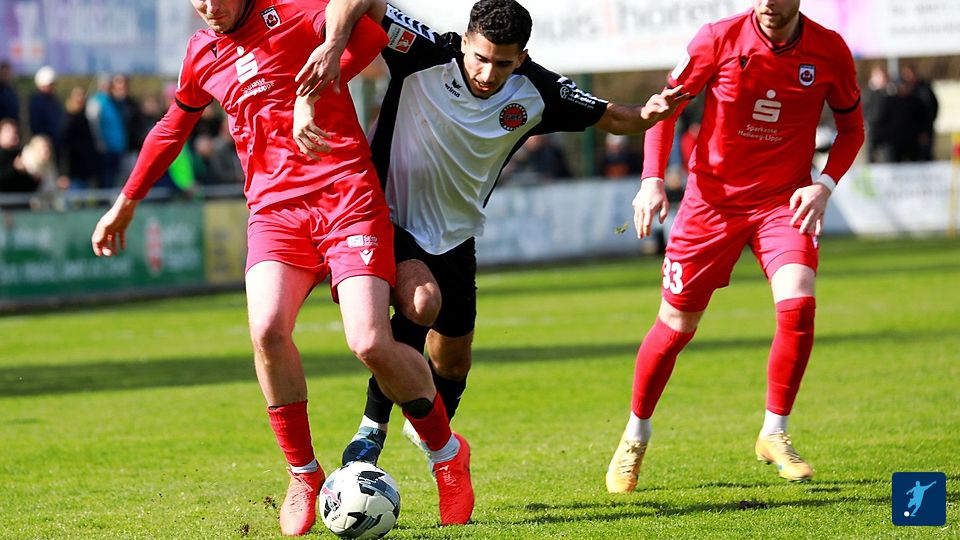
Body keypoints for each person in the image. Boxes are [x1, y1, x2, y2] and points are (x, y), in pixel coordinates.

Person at [90, 0, 472, 535]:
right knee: (267, 331)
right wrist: (125, 204)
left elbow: (370, 33)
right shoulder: (201, 53)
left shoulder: (295, 12)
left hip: (345, 196)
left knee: (368, 342)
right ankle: (303, 472)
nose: (209, 8)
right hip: (274, 213)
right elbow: (171, 128)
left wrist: (319, 75)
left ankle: (447, 454)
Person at [294, 0, 685, 477]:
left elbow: (613, 117)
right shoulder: (424, 52)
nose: (487, 72)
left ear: (521, 57)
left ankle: (429, 428)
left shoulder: (537, 90)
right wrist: (333, 45)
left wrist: (649, 113)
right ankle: (371, 429)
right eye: (480, 57)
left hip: (456, 236)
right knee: (421, 302)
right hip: (383, 218)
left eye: (502, 63)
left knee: (453, 361)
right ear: (464, 42)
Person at [605, 0, 864, 493]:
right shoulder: (717, 38)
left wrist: (824, 185)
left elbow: (853, 128)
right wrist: (652, 179)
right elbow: (664, 110)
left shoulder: (829, 50)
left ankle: (775, 431)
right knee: (676, 325)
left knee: (799, 302)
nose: (767, 3)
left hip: (783, 201)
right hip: (711, 204)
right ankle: (635, 434)